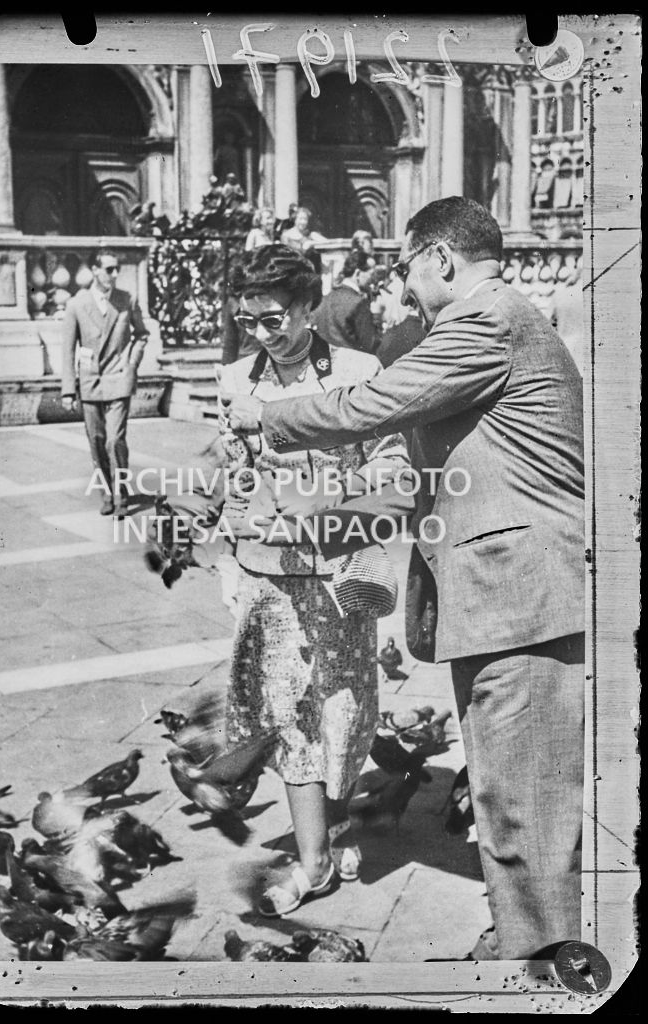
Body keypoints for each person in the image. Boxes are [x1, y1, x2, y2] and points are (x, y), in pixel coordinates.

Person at [225, 197, 585, 961]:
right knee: (505, 791)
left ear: (440, 260)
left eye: (404, 267)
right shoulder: (495, 319)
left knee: (519, 795)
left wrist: (267, 418)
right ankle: (528, 938)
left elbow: (378, 402)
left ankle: (538, 956)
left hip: (520, 596)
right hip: (505, 594)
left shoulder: (484, 321)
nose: (402, 285)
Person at [217, 244, 408, 917]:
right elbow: (232, 475)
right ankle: (313, 860)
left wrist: (323, 504)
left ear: (306, 306)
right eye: (247, 321)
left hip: (338, 577)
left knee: (344, 714)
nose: (261, 334)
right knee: (288, 718)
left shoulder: (358, 372)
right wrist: (227, 559)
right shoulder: (235, 378)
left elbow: (393, 473)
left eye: (273, 319)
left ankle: (331, 825)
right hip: (266, 580)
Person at [61, 249, 149, 518]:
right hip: (89, 383)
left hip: (119, 380)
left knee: (114, 440)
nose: (114, 274)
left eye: (116, 269)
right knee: (97, 442)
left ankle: (122, 496)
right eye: (108, 269)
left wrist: (131, 365)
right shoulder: (76, 304)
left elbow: (142, 335)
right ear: (95, 270)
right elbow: (67, 349)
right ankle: (107, 494)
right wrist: (68, 390)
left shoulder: (127, 300)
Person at [311, 249, 377, 356]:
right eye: (372, 274)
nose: (373, 279)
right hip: (353, 364)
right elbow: (369, 344)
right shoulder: (358, 303)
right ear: (358, 273)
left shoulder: (325, 299)